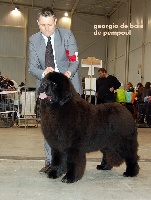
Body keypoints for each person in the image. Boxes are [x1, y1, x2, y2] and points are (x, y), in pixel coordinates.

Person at [28, 7, 82, 173]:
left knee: (71, 128)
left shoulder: (67, 36)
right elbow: (32, 67)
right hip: (47, 90)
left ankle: (71, 163)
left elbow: (74, 61)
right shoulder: (33, 40)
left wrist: (68, 73)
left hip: (67, 88)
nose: (46, 28)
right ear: (38, 23)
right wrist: (43, 72)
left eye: (49, 25)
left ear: (55, 22)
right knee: (49, 127)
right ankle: (51, 162)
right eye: (43, 25)